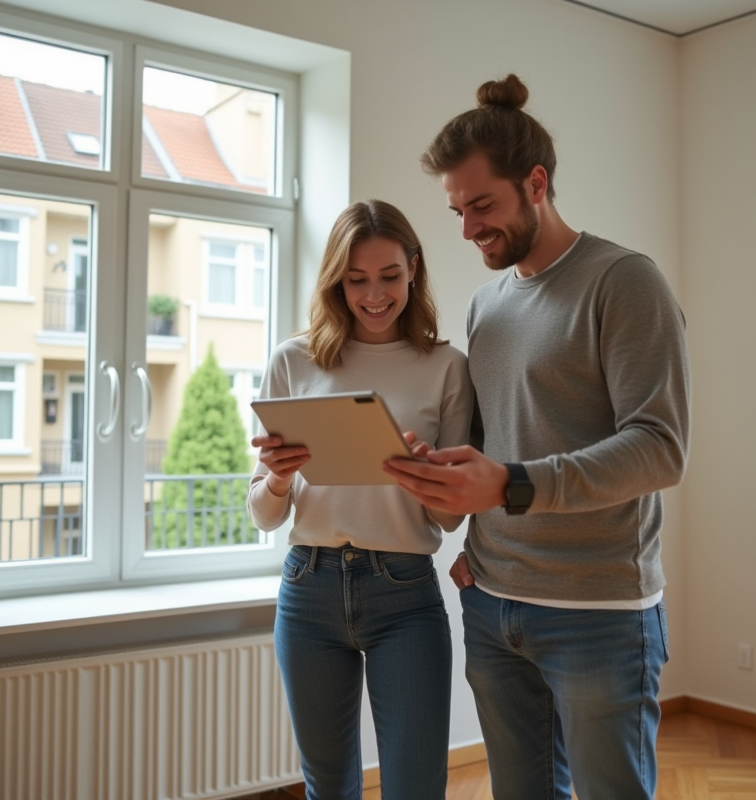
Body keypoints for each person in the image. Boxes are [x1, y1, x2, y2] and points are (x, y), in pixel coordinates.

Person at [383, 74, 690, 800]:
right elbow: (496, 445)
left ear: (537, 183)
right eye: (458, 211)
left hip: (599, 613)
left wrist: (511, 485)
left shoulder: (624, 282)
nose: (467, 229)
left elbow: (659, 447)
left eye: (482, 206)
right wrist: (452, 495)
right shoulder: (486, 304)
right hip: (493, 604)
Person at [247, 199, 473, 800]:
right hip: (308, 589)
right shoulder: (293, 360)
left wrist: (421, 475)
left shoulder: (446, 367)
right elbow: (264, 515)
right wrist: (277, 479)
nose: (374, 295)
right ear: (336, 281)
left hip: (405, 593)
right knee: (328, 787)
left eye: (389, 276)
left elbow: (451, 518)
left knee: (415, 787)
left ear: (414, 269)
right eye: (356, 280)